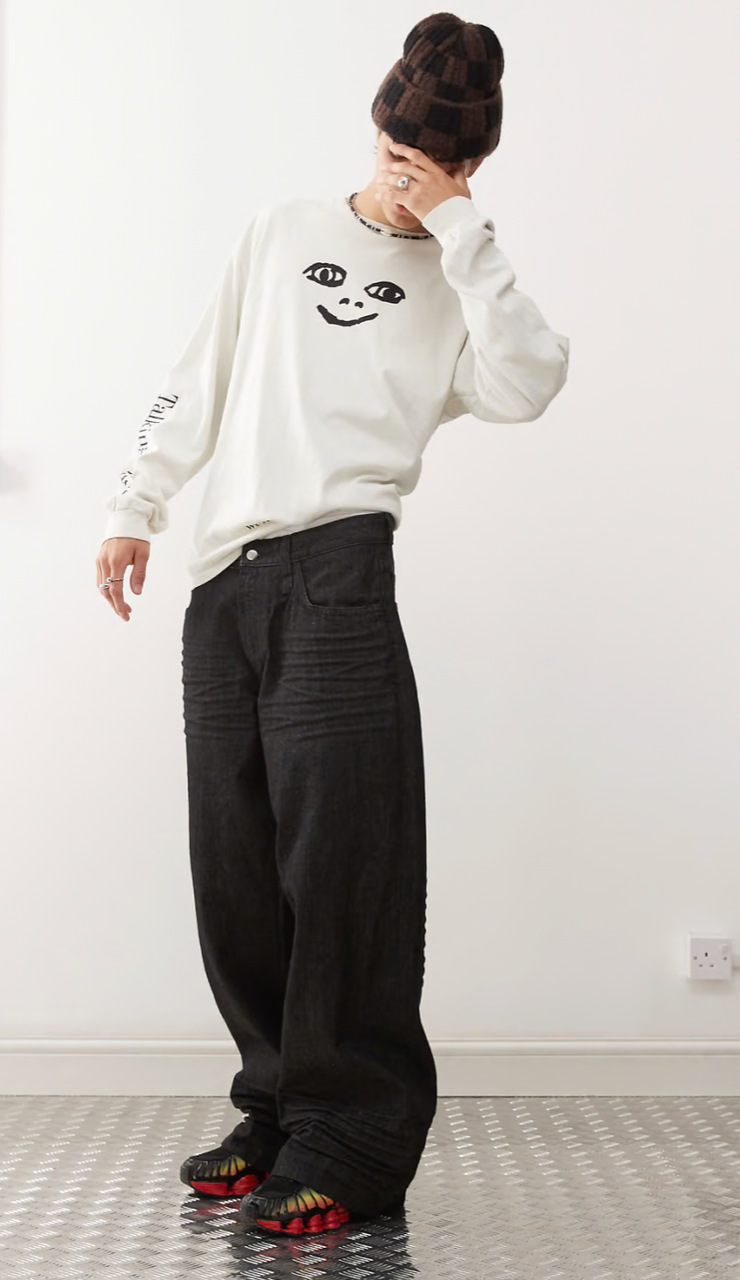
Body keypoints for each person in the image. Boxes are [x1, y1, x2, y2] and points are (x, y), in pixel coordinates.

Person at [95, 12, 569, 1237]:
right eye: (398, 158)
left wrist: (461, 230)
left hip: (340, 572)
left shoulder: (460, 280)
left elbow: (530, 380)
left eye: (438, 169)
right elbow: (198, 373)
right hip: (223, 582)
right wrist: (135, 503)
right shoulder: (282, 230)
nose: (408, 184)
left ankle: (352, 1136)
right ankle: (276, 1106)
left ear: (470, 166)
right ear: (373, 131)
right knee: (238, 865)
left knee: (343, 861)